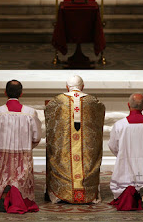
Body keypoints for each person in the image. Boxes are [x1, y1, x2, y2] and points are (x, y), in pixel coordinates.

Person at [45, 75, 105, 204]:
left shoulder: (57, 101)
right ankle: (88, 191)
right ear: (83, 87)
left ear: (67, 87)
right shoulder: (94, 102)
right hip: (85, 149)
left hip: (65, 147)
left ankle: (61, 193)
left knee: (60, 155)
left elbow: (51, 124)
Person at [0, 80, 41, 213]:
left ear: (5, 93)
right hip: (23, 153)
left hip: (2, 154)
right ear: (21, 93)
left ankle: (2, 197)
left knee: (3, 175)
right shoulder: (30, 113)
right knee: (20, 176)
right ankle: (18, 197)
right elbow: (36, 137)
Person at [108, 94, 143, 211]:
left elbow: (113, 146)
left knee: (125, 185)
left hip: (126, 163)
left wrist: (122, 156)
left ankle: (131, 192)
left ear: (128, 105)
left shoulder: (119, 125)